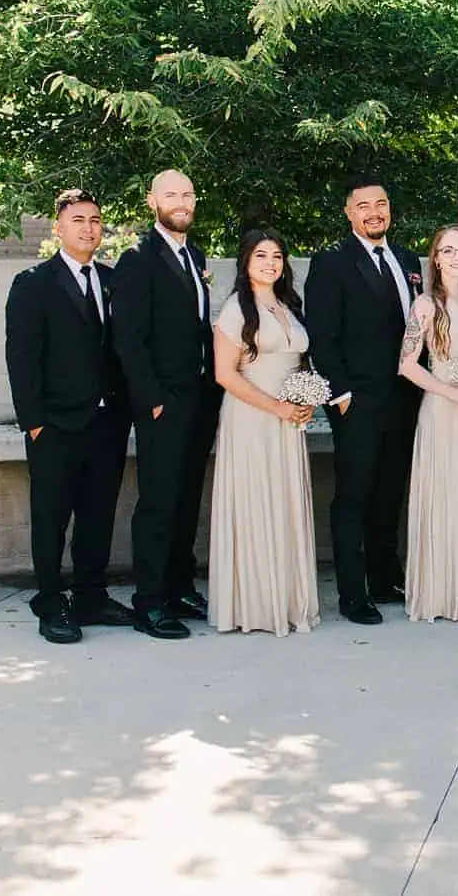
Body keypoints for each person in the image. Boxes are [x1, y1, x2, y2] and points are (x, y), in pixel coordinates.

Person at [4, 189, 134, 643]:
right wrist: (34, 422)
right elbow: (21, 358)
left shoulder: (115, 280)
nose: (88, 227)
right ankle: (51, 600)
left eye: (96, 220)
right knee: (51, 516)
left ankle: (91, 596)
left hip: (109, 423)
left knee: (98, 514)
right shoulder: (33, 283)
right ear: (58, 228)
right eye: (78, 220)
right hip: (55, 425)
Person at [304, 178, 424, 625]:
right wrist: (341, 393)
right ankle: (354, 594)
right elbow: (322, 334)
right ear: (349, 212)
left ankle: (384, 576)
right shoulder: (332, 262)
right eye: (364, 206)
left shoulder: (408, 260)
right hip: (356, 400)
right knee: (353, 495)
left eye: (381, 204)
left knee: (390, 490)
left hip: (403, 398)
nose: (374, 212)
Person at [112, 169, 221, 640]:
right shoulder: (137, 258)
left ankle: (179, 586)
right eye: (171, 195)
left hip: (199, 398)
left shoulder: (193, 254)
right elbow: (128, 338)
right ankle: (150, 601)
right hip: (163, 402)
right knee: (158, 501)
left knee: (186, 497)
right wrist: (151, 399)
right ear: (151, 200)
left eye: (187, 194)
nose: (181, 202)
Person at [207, 229, 318, 636]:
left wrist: (304, 398)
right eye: (261, 256)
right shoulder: (238, 308)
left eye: (276, 256)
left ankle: (287, 600)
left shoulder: (290, 305)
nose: (270, 263)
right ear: (245, 262)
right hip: (252, 419)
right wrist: (277, 407)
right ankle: (255, 605)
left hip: (289, 421)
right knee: (257, 502)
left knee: (284, 503)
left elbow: (297, 361)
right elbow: (224, 374)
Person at [398, 226, 458, 623]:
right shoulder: (425, 304)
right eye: (448, 250)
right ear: (435, 258)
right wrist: (452, 393)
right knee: (443, 495)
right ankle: (440, 594)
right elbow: (406, 366)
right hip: (441, 410)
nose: (457, 256)